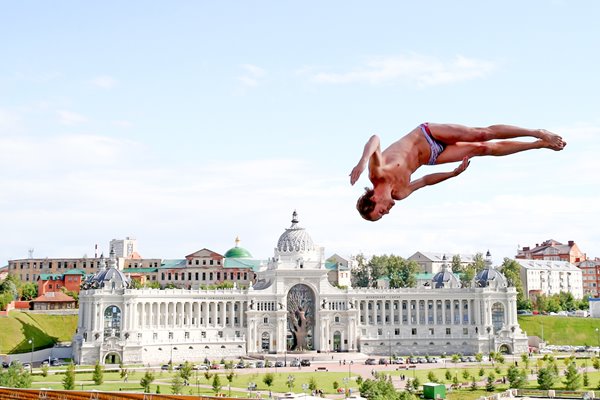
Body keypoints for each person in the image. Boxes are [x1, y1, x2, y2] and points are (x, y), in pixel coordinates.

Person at [350, 122, 566, 221]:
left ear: (373, 199)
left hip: (425, 135)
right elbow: (425, 180)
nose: (387, 212)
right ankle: (538, 144)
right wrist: (452, 174)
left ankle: (536, 132)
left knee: (481, 135)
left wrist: (362, 161)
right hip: (433, 157)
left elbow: (375, 139)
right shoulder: (401, 193)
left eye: (380, 212)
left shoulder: (377, 173)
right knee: (482, 150)